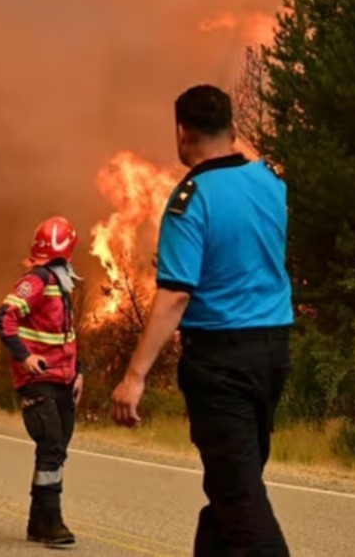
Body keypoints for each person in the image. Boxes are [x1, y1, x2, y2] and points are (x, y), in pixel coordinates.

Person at [110, 84, 293, 556]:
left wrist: (135, 376)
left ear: (181, 133)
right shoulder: (271, 182)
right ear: (233, 128)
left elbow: (174, 295)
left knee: (240, 500)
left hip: (220, 364)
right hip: (272, 355)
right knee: (232, 489)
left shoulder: (189, 200)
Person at [0, 215, 85, 546]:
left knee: (56, 453)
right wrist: (25, 357)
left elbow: (67, 335)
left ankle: (36, 523)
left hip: (63, 380)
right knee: (51, 447)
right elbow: (4, 318)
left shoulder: (62, 283)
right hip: (39, 381)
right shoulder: (36, 280)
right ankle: (53, 522)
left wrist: (80, 372)